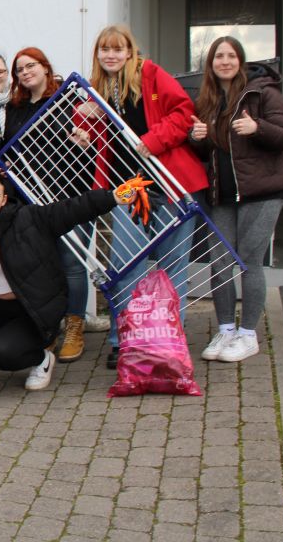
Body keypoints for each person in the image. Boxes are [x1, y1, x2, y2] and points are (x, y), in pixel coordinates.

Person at [0, 170, 134, 392]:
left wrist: (112, 197)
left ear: (4, 199)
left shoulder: (28, 218)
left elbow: (72, 209)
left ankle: (42, 359)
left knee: (3, 356)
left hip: (31, 310)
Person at [87, 24, 208, 369]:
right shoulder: (96, 89)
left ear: (130, 51)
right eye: (104, 49)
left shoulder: (151, 75)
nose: (110, 55)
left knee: (174, 269)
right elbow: (104, 140)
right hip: (128, 191)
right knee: (125, 267)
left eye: (117, 49)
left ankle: (171, 339)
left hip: (170, 187)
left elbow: (183, 113)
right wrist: (85, 130)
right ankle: (121, 339)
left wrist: (153, 141)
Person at [190, 37, 283, 363]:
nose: (224, 61)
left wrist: (257, 126)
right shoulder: (206, 101)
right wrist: (197, 141)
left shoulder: (262, 92)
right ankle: (225, 329)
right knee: (220, 263)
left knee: (249, 262)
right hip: (222, 195)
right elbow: (208, 153)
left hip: (261, 192)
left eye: (230, 55)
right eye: (218, 56)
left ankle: (248, 335)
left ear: (240, 60)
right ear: (211, 64)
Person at [4, 46, 95, 362]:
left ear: (45, 67)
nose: (25, 72)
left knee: (72, 263)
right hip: (33, 201)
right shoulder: (15, 108)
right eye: (19, 69)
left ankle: (75, 327)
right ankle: (48, 327)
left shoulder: (68, 99)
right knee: (43, 265)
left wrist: (84, 141)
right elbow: (10, 151)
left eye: (31, 66)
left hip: (70, 195)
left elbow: (91, 140)